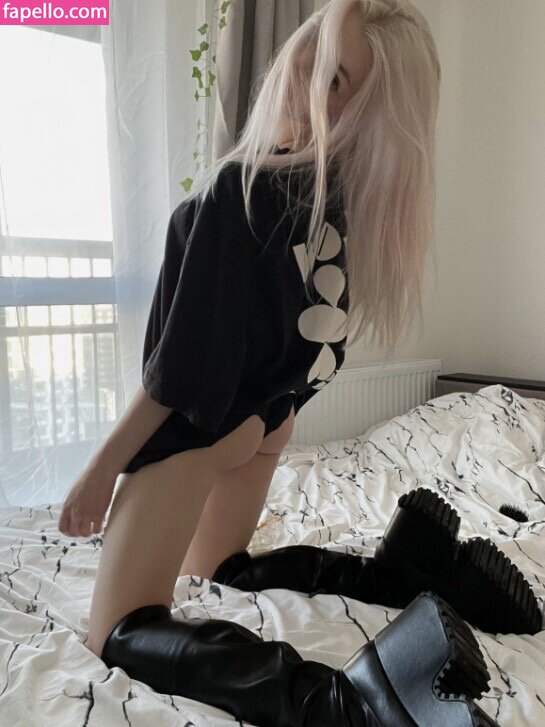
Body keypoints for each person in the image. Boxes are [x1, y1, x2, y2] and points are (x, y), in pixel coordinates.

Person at [58, 1, 501, 724]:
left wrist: (99, 470)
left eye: (336, 78)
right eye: (316, 48)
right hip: (267, 422)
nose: (303, 70)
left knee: (115, 631)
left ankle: (344, 700)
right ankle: (395, 576)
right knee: (217, 570)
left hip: (203, 428)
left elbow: (178, 374)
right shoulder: (342, 208)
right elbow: (312, 348)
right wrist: (267, 415)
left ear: (362, 112)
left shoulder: (243, 187)